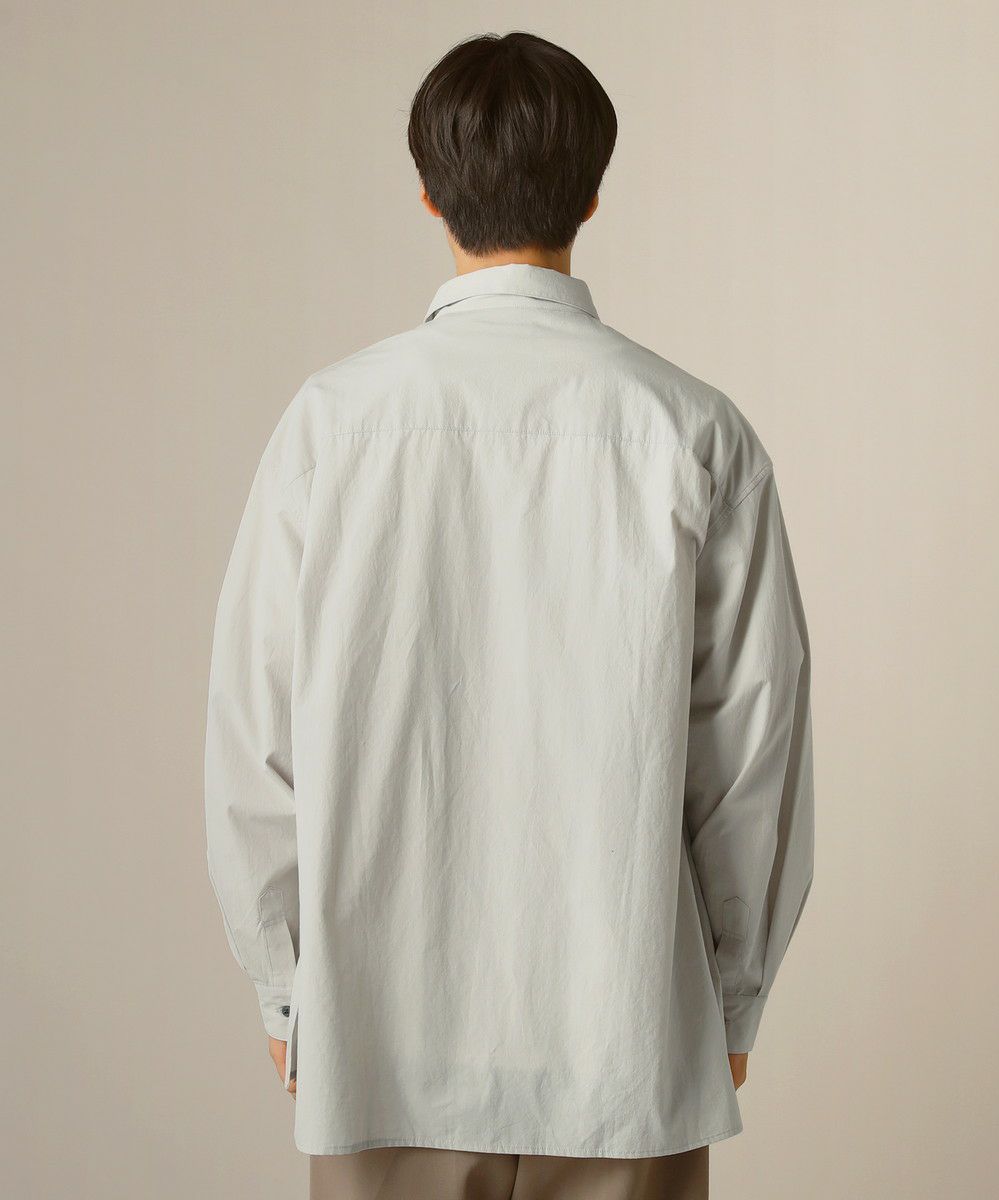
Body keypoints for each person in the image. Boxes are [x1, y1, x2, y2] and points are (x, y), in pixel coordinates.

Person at [204, 30, 815, 1200]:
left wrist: (286, 989)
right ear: (593, 193)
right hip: (626, 1046)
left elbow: (253, 739)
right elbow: (753, 756)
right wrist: (731, 999)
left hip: (384, 1052)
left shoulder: (330, 426)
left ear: (426, 192)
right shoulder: (694, 431)